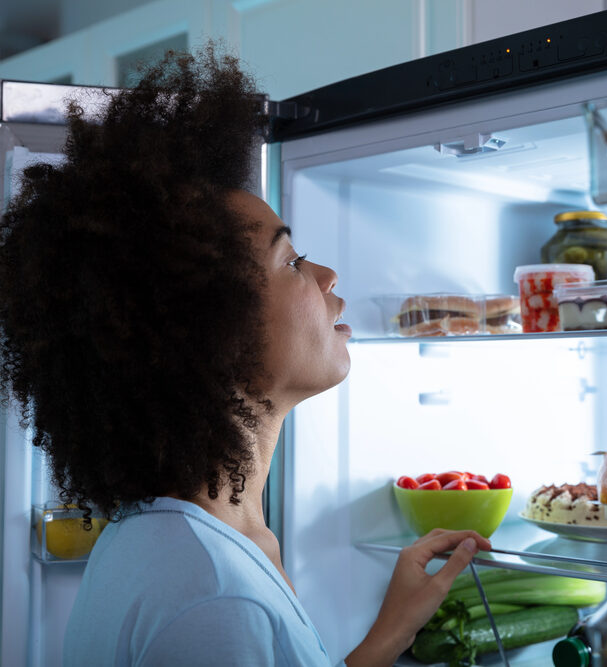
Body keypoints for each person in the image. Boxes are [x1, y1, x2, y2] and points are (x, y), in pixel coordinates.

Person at [0, 46, 491, 666]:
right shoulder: (211, 597)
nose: (327, 274)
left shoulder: (193, 539)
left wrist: (389, 634)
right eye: (291, 261)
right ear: (212, 330)